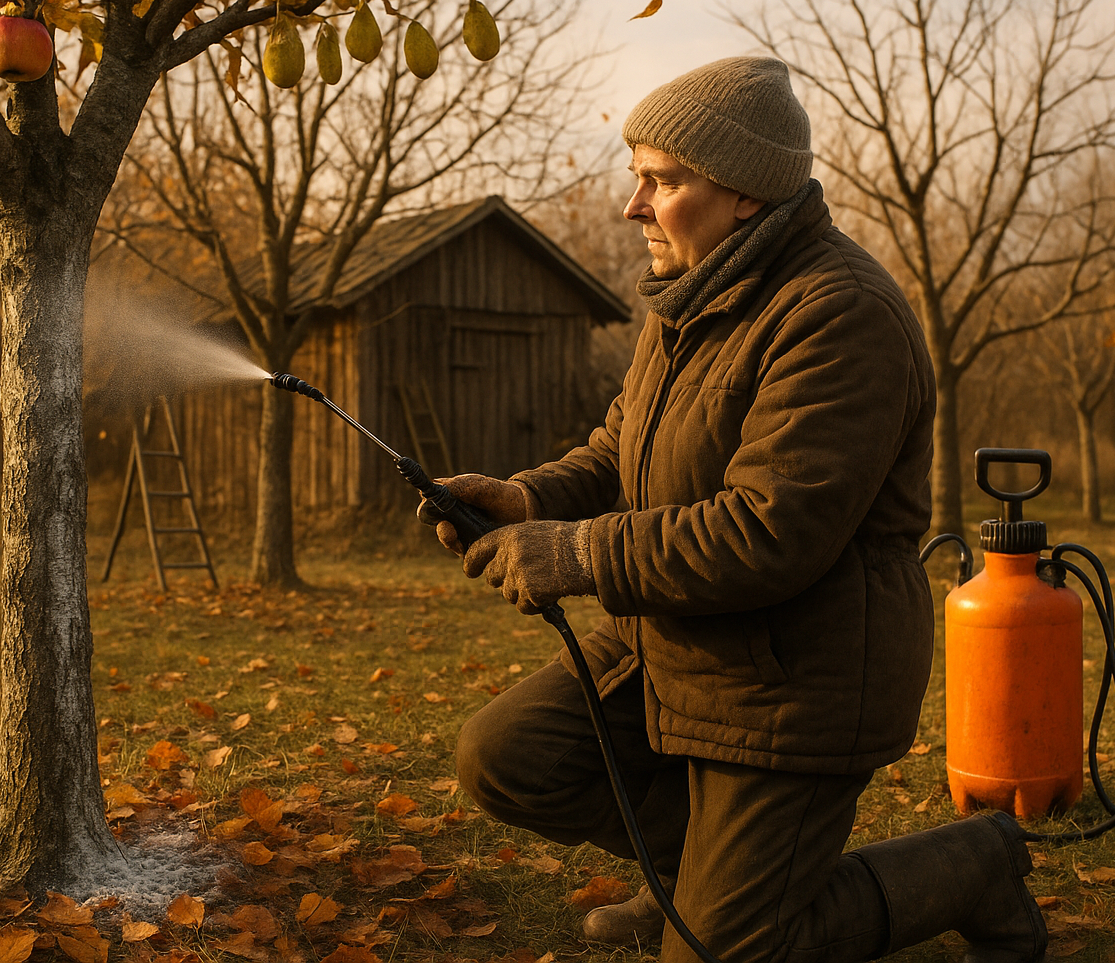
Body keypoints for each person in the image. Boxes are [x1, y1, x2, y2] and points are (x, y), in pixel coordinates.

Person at [437, 57, 1046, 963]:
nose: (634, 206)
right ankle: (702, 881)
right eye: (638, 176)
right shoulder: (693, 295)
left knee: (728, 953)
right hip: (676, 643)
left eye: (663, 181)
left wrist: (574, 555)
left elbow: (769, 531)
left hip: (794, 676)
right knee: (506, 757)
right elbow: (623, 445)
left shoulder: (840, 313)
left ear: (749, 197)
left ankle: (973, 866)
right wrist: (529, 496)